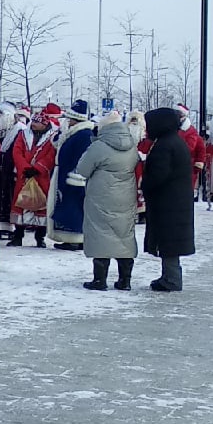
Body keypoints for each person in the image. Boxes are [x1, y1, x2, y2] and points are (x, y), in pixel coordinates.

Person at [68, 111, 140, 290]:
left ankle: (99, 280)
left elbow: (83, 169)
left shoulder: (99, 146)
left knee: (100, 234)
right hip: (126, 196)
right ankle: (125, 280)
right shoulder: (132, 144)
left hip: (101, 196)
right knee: (124, 235)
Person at [142, 107, 195, 292]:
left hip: (168, 201)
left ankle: (171, 279)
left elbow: (158, 174)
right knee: (171, 240)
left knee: (169, 241)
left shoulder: (165, 145)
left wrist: (145, 185)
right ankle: (170, 275)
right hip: (176, 199)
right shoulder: (174, 141)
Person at [49, 101, 96, 251]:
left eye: (70, 118)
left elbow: (82, 157)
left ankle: (75, 238)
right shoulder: (74, 132)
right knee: (68, 205)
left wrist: (76, 175)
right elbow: (57, 144)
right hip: (65, 173)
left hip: (73, 177)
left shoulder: (84, 134)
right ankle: (70, 237)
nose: (67, 121)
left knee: (74, 207)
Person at [8, 113, 56, 247]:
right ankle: (18, 236)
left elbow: (51, 156)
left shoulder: (52, 138)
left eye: (37, 122)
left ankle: (40, 237)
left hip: (41, 177)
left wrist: (37, 169)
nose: (33, 124)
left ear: (45, 124)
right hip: (24, 176)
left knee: (41, 206)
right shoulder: (23, 135)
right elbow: (17, 152)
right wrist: (25, 168)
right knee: (20, 204)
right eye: (33, 121)